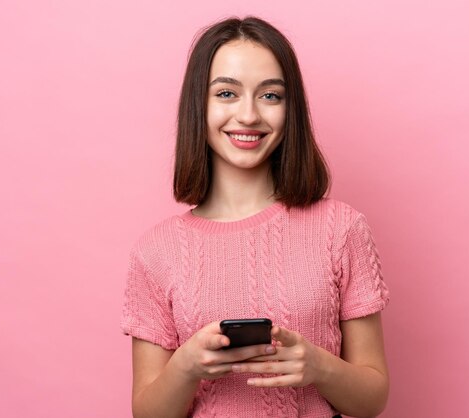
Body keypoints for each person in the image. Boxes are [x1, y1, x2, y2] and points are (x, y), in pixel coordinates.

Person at [121, 16, 390, 418]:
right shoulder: (155, 252)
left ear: (290, 108)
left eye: (270, 96)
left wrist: (318, 366)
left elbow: (373, 400)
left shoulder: (341, 229)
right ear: (200, 104)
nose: (248, 116)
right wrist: (185, 367)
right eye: (227, 93)